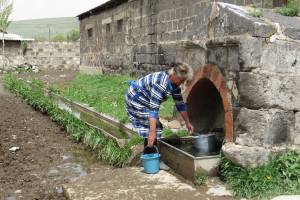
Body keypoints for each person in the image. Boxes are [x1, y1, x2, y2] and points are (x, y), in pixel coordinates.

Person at [125, 62, 194, 169]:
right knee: (154, 128)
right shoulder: (161, 84)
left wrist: (188, 122)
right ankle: (152, 159)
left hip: (146, 100)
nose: (181, 83)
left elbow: (180, 105)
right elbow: (153, 111)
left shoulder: (174, 84)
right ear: (173, 75)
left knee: (154, 128)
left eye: (183, 81)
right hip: (136, 99)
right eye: (181, 80)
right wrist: (152, 133)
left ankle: (149, 156)